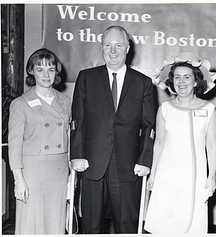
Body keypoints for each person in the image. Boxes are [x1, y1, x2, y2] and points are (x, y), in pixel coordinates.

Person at [70, 25, 156, 234]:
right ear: (101, 47)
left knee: (126, 224)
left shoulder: (143, 83)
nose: (113, 50)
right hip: (92, 163)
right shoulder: (86, 78)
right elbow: (78, 120)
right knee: (91, 225)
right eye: (108, 45)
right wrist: (77, 155)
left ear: (128, 48)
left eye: (119, 45)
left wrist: (144, 160)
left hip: (127, 166)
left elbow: (148, 126)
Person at [144, 52, 216, 234]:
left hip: (195, 177)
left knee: (192, 224)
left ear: (196, 81)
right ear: (172, 81)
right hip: (167, 176)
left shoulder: (209, 109)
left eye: (187, 77)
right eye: (177, 77)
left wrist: (212, 177)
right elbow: (159, 143)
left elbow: (212, 146)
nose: (181, 82)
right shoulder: (165, 109)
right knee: (165, 223)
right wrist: (153, 175)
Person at [8, 48, 71, 234]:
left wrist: (71, 174)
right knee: (30, 221)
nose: (46, 74)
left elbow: (68, 135)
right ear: (31, 71)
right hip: (32, 171)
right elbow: (14, 144)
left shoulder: (65, 101)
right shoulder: (20, 104)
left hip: (58, 171)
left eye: (50, 69)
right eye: (40, 69)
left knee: (55, 221)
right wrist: (18, 180)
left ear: (56, 72)